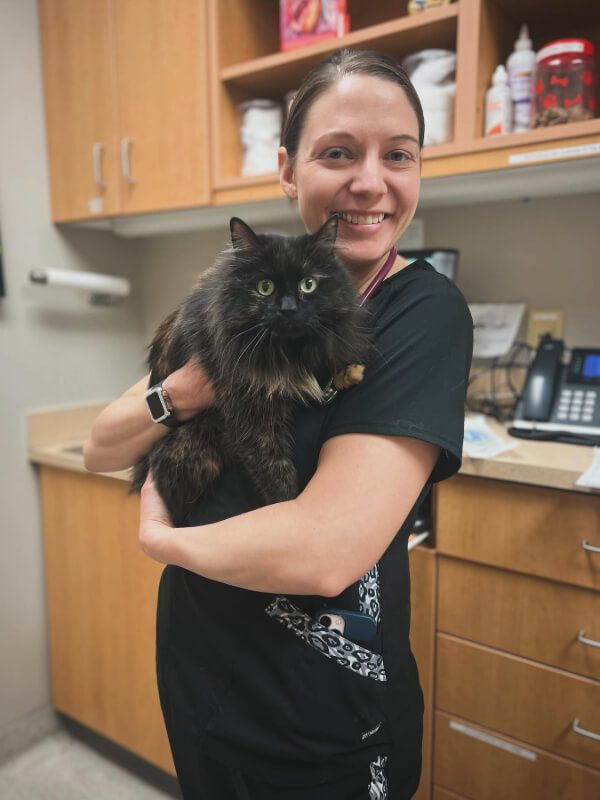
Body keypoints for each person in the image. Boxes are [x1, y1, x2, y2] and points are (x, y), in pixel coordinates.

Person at [84, 49, 473, 800]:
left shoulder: (422, 311)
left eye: (398, 154)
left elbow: (326, 553)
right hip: (202, 668)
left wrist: (162, 541)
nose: (370, 181)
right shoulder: (238, 295)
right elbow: (105, 444)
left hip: (320, 705)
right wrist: (185, 392)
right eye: (337, 152)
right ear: (288, 170)